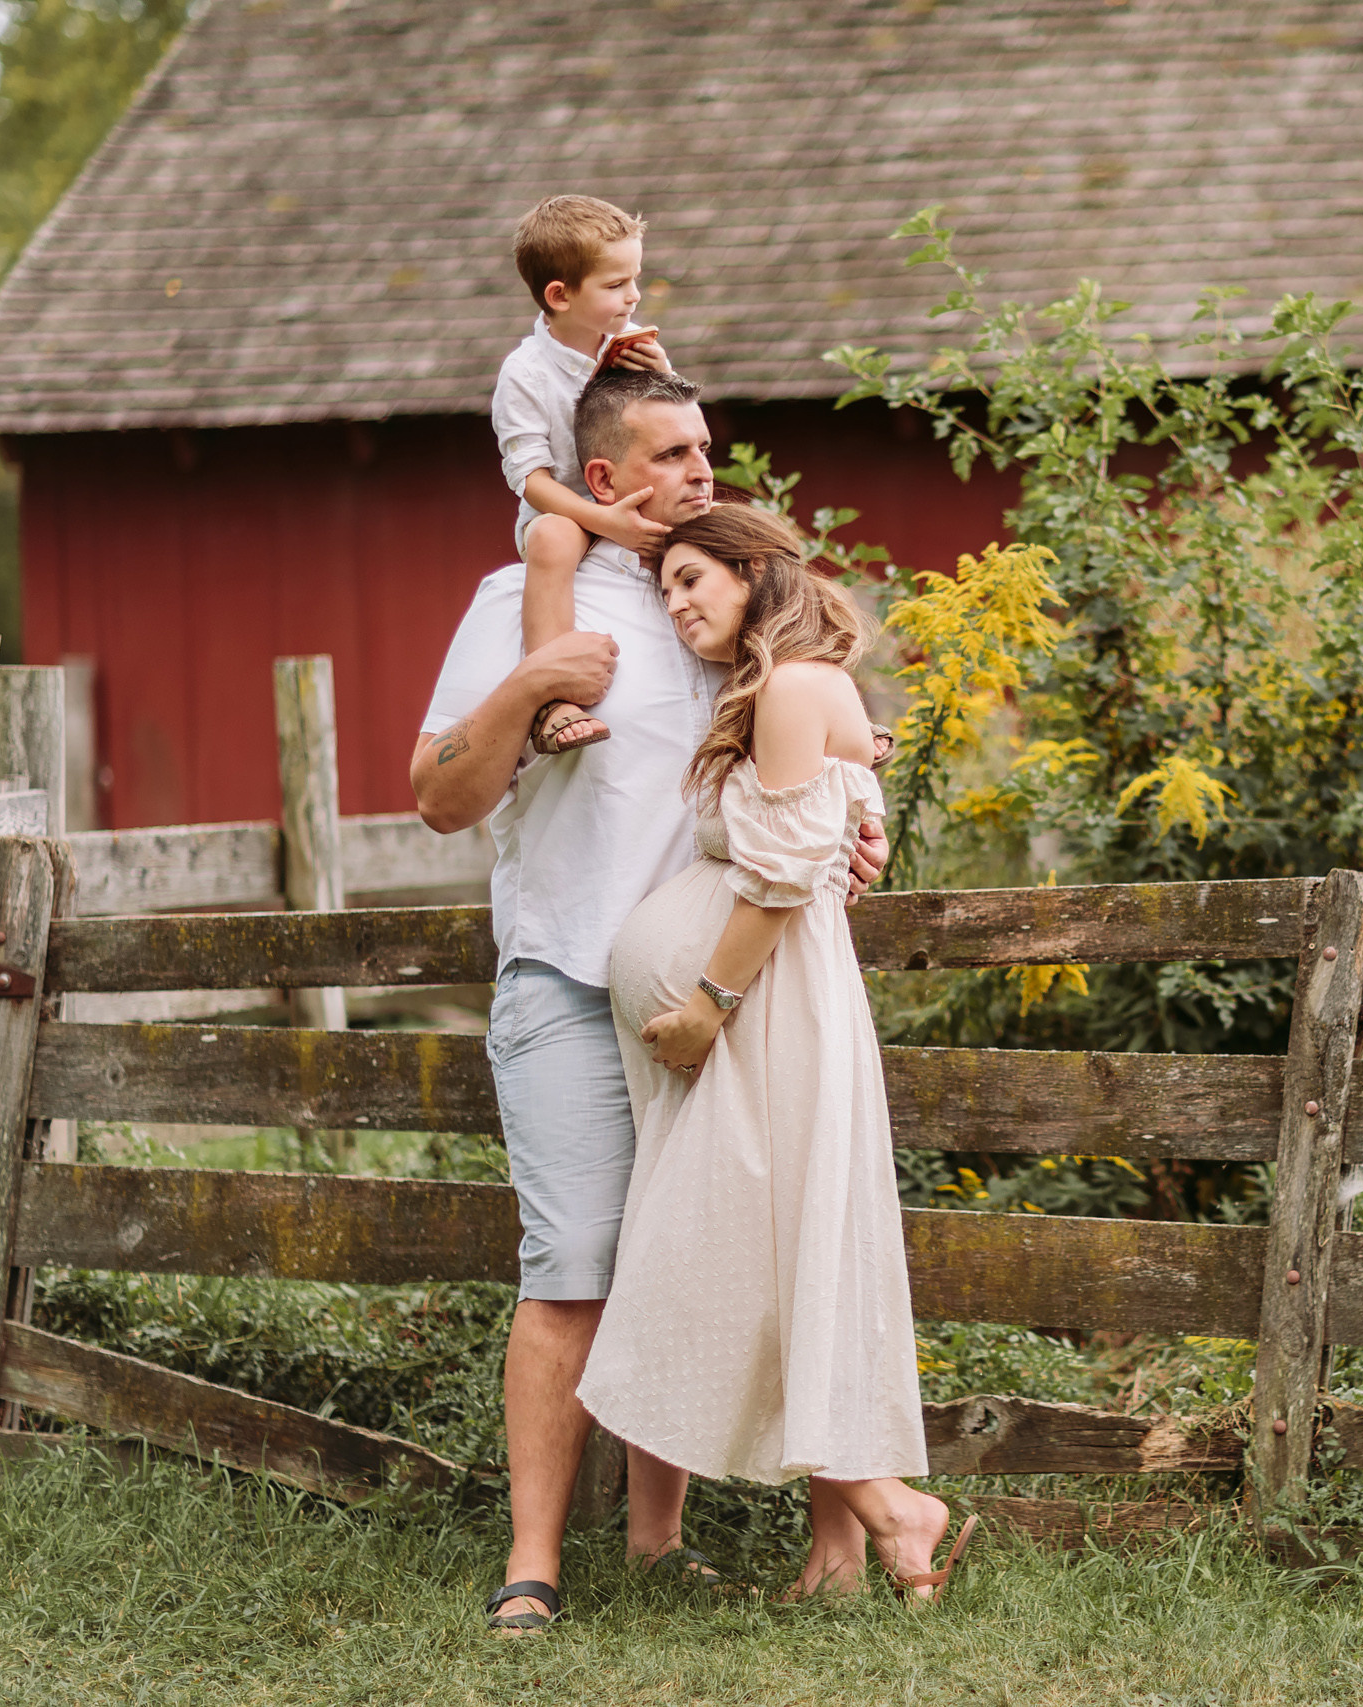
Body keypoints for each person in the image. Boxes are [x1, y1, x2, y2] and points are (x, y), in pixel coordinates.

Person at [410, 366, 886, 1636]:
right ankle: (532, 1565)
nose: (700, 472)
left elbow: (819, 751)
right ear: (605, 477)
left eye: (707, 450)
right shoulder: (519, 599)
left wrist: (865, 825)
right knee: (574, 1267)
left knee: (696, 1251)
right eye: (672, 454)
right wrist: (531, 684)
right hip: (568, 985)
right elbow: (439, 795)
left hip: (722, 1007)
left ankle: (658, 1541)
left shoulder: (717, 607)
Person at [578, 503, 975, 1604]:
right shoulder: (786, 690)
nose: (679, 603)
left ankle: (893, 1508)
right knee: (791, 1253)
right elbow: (828, 819)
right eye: (665, 589)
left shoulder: (793, 686)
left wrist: (706, 1004)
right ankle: (843, 1557)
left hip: (766, 1008)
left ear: (757, 573)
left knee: (750, 1261)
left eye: (695, 578)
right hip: (769, 1006)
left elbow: (781, 875)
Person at [493, 194, 672, 756]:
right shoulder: (526, 374)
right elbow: (530, 479)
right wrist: (603, 521)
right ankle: (552, 700)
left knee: (738, 531)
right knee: (551, 536)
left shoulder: (631, 344)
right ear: (560, 296)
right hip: (570, 510)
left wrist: (664, 377)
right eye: (617, 285)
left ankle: (796, 668)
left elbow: (674, 433)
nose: (634, 295)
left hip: (637, 496)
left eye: (635, 279)